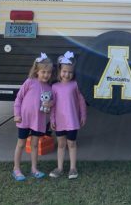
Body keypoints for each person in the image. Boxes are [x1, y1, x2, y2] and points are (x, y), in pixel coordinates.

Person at [12, 53, 54, 181]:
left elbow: (49, 105)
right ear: (37, 71)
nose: (46, 75)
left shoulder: (49, 88)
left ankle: (34, 169)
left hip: (38, 121)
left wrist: (50, 104)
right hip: (24, 119)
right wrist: (17, 114)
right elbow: (19, 98)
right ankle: (16, 169)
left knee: (35, 145)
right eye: (43, 72)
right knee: (21, 144)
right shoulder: (30, 82)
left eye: (49, 72)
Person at [49, 51, 87, 180]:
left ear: (73, 73)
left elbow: (81, 101)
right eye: (64, 71)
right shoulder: (54, 87)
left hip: (72, 121)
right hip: (60, 121)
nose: (67, 74)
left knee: (71, 144)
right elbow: (53, 105)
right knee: (61, 145)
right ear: (60, 71)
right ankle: (59, 168)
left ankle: (72, 168)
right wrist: (52, 119)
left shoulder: (75, 85)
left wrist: (83, 115)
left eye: (70, 72)